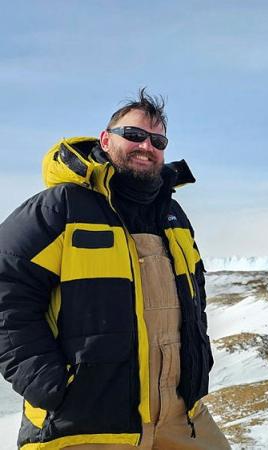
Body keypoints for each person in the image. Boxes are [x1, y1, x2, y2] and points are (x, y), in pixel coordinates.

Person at [0, 89, 230, 449]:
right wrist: (48, 384)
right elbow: (6, 289)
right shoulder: (61, 207)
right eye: (134, 135)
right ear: (106, 140)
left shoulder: (173, 217)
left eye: (157, 140)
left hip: (179, 416)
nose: (146, 146)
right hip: (86, 421)